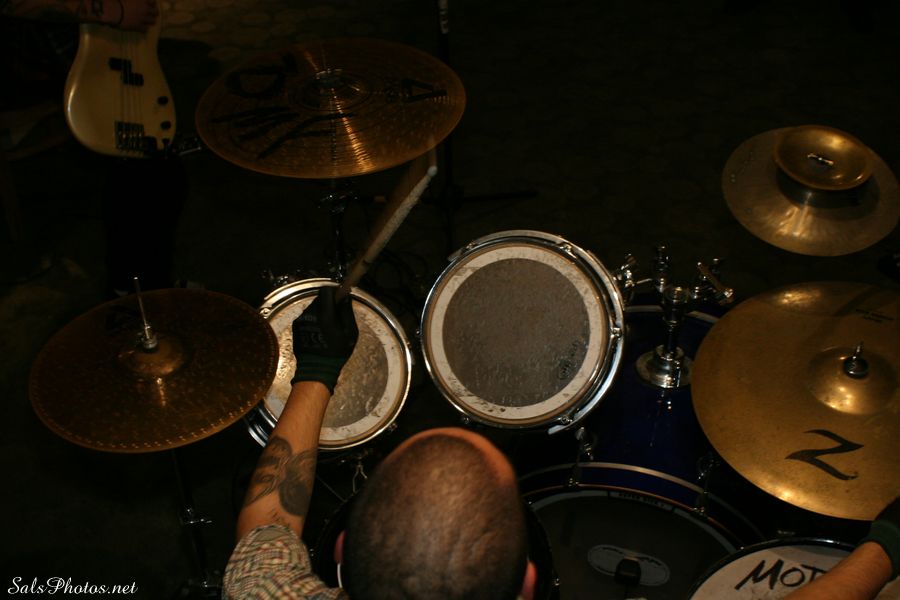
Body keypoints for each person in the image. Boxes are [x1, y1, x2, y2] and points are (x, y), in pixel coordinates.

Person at [223, 287, 898, 600]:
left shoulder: (268, 594)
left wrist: (316, 370)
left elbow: (267, 518)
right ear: (527, 585)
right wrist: (882, 549)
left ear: (341, 553)